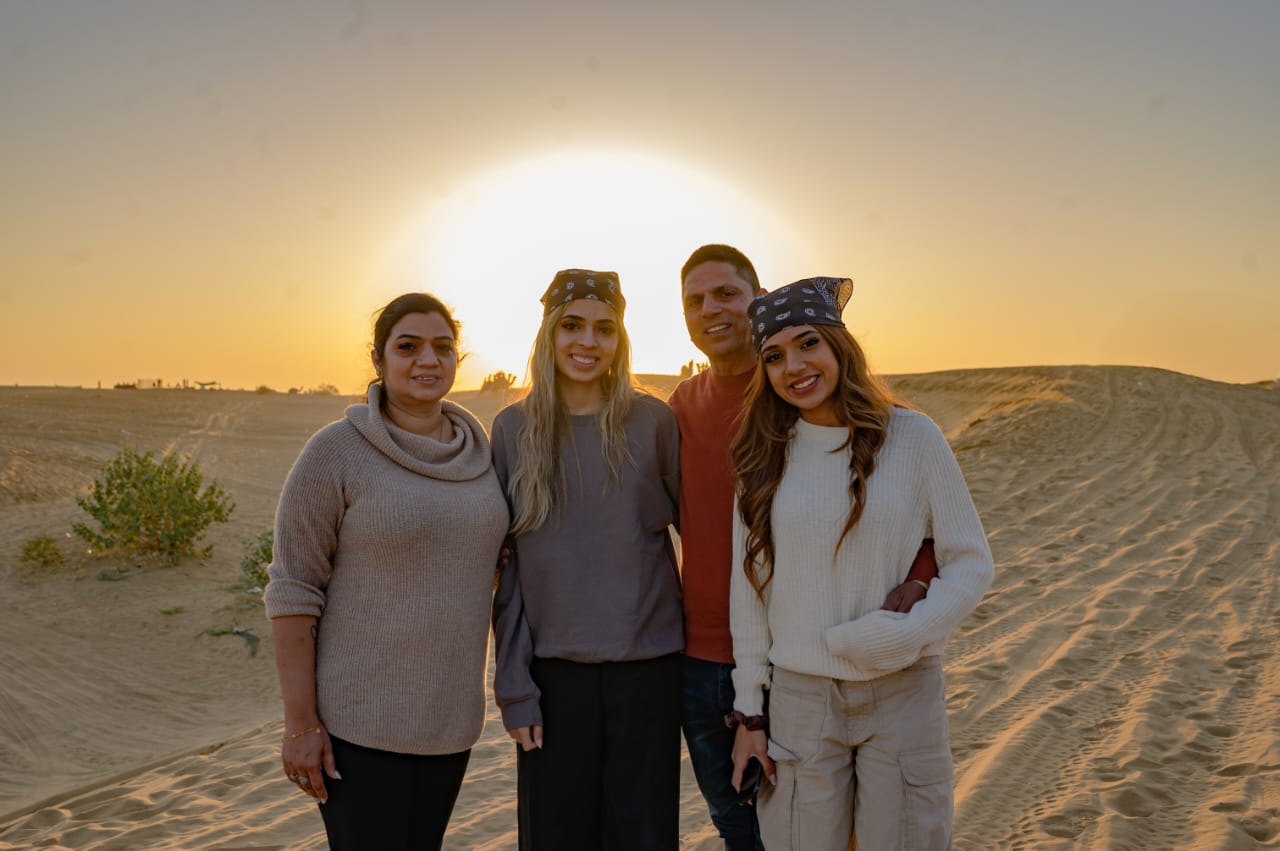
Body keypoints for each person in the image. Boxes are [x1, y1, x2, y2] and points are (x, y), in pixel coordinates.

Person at [669, 246, 940, 850]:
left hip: (805, 661)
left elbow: (917, 519)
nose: (711, 309)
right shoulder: (681, 407)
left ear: (759, 300)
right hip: (706, 659)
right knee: (740, 826)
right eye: (695, 300)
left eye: (726, 294)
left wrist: (918, 581)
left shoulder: (812, 399)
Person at [727, 278, 994, 850]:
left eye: (807, 345)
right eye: (773, 356)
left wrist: (904, 634)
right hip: (799, 701)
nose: (793, 366)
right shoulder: (762, 461)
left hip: (903, 692)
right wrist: (750, 714)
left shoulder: (913, 437)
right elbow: (749, 595)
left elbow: (970, 562)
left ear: (838, 347)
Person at [264, 293, 509, 850]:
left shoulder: (482, 456)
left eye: (442, 348)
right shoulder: (335, 452)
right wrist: (301, 726)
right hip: (359, 728)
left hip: (450, 724)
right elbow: (293, 591)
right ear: (378, 361)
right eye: (408, 347)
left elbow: (486, 558)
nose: (427, 360)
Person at [491, 269, 684, 850]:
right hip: (553, 678)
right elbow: (509, 571)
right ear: (549, 334)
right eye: (572, 325)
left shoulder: (654, 422)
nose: (587, 341)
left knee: (642, 836)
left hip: (649, 669)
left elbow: (697, 536)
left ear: (620, 340)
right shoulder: (512, 428)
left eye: (604, 328)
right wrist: (516, 687)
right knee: (556, 836)